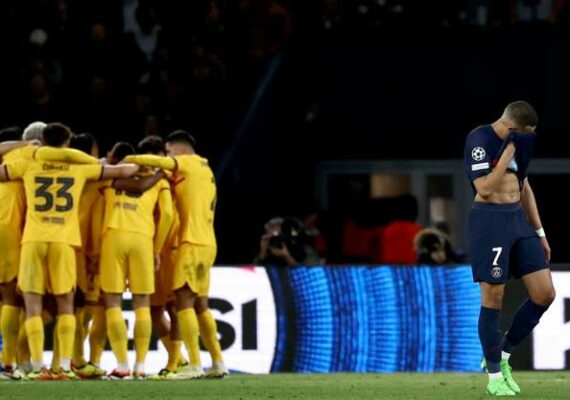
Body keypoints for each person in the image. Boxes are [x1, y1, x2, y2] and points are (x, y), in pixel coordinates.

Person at [0, 123, 140, 380]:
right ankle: (64, 366)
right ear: (67, 143)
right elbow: (127, 169)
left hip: (33, 240)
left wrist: (26, 149)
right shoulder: (79, 167)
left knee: (32, 306)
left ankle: (37, 367)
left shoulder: (28, 163)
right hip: (64, 242)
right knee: (66, 305)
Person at [464, 101, 555, 396]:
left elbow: (524, 186)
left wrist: (539, 233)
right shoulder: (480, 139)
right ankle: (493, 378)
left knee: (544, 293)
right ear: (514, 128)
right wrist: (507, 153)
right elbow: (484, 188)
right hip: (489, 221)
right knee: (494, 296)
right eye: (526, 133)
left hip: (518, 220)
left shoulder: (521, 144)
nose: (529, 139)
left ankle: (502, 354)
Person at [124, 130, 228, 379]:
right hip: (207, 242)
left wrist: (128, 159)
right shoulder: (205, 169)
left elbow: (158, 162)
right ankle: (217, 362)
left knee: (182, 301)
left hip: (191, 242)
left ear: (179, 150)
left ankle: (194, 364)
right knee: (200, 304)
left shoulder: (188, 162)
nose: (168, 157)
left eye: (169, 152)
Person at [99, 141, 173, 379]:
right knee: (142, 303)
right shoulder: (160, 181)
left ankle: (122, 365)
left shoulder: (113, 174)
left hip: (113, 236)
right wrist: (157, 249)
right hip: (142, 240)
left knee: (113, 302)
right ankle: (140, 366)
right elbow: (168, 215)